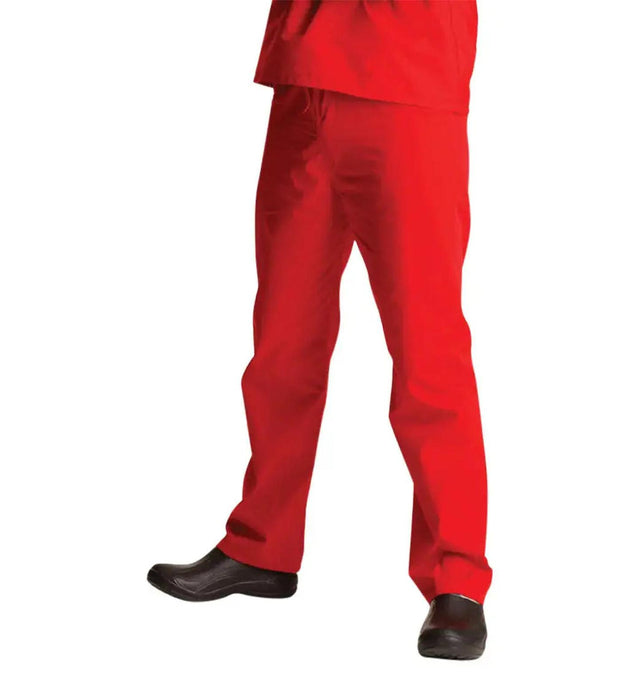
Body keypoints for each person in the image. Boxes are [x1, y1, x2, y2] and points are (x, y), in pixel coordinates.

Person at [148, 0, 492, 660]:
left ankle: (459, 580)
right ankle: (263, 545)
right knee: (283, 336)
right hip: (304, 75)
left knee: (426, 346)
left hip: (404, 74)